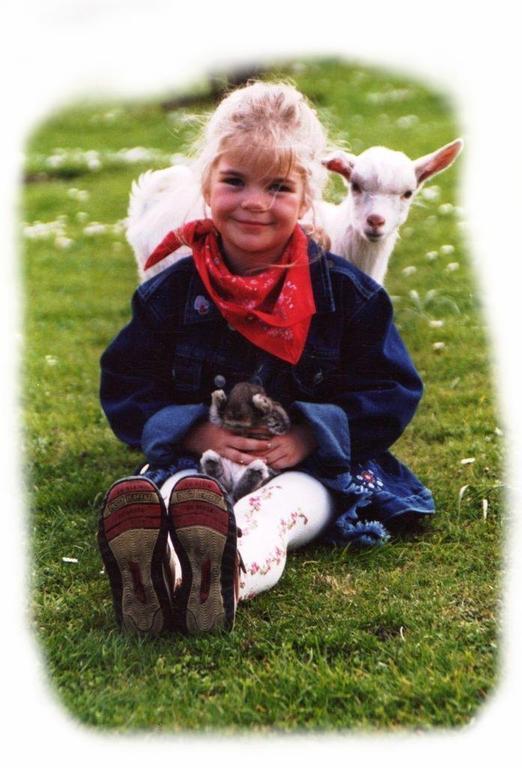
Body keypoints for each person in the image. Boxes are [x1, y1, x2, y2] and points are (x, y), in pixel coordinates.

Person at [98, 81, 435, 636]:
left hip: (305, 469)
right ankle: (159, 575)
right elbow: (126, 384)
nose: (255, 202)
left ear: (308, 197)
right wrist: (193, 434)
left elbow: (390, 390)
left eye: (278, 187)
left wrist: (307, 437)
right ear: (208, 185)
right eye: (235, 181)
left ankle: (222, 581)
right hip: (198, 460)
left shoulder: (347, 295)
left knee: (272, 515)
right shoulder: (173, 291)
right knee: (170, 498)